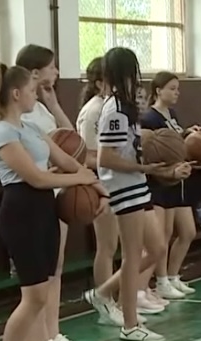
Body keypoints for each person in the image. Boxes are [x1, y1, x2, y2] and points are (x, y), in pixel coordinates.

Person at [0, 62, 104, 341]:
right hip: (20, 211)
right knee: (32, 295)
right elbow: (35, 178)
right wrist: (78, 179)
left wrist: (97, 187)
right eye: (32, 90)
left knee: (43, 292)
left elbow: (67, 161)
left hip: (45, 210)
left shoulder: (32, 128)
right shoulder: (1, 132)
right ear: (16, 93)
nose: (36, 95)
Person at [85, 47, 177, 341]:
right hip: (122, 188)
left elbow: (129, 148)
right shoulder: (114, 109)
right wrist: (143, 167)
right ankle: (130, 325)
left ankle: (101, 293)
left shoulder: (127, 106)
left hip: (137, 184)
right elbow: (106, 158)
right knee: (132, 256)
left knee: (157, 248)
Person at [14, 44, 85, 341]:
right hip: (37, 194)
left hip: (56, 192)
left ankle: (52, 333)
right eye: (52, 67)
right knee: (40, 276)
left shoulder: (42, 108)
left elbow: (72, 140)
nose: (57, 72)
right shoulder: (20, 113)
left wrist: (54, 103)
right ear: (34, 72)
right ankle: (40, 340)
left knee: (56, 268)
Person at [140, 71, 201, 305]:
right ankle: (160, 280)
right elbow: (153, 150)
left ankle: (173, 276)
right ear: (158, 91)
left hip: (178, 179)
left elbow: (175, 145)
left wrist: (189, 136)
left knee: (188, 231)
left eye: (178, 89)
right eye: (172, 88)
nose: (177, 93)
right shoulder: (149, 118)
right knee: (162, 235)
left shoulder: (172, 114)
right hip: (160, 181)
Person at [77, 57, 120, 293]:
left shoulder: (110, 107)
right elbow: (87, 156)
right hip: (99, 183)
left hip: (115, 181)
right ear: (100, 82)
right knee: (107, 246)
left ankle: (123, 295)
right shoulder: (94, 111)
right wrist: (122, 163)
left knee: (117, 245)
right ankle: (105, 297)